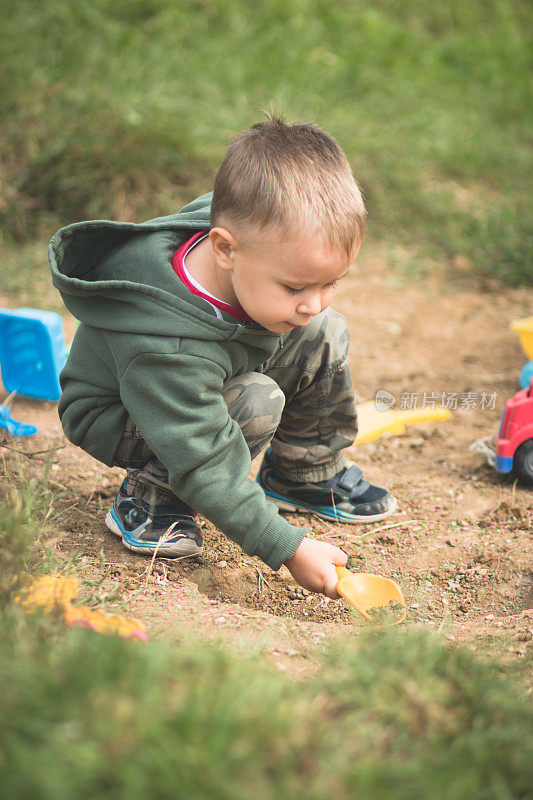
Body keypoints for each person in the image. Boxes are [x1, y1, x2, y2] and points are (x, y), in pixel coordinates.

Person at [48, 113, 397, 599]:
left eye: (331, 282)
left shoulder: (249, 234)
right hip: (123, 411)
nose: (313, 300)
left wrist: (298, 297)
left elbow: (308, 308)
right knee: (255, 401)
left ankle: (303, 472)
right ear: (225, 249)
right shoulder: (167, 349)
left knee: (323, 330)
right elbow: (207, 457)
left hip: (214, 363)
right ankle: (154, 497)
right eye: (296, 285)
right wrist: (287, 546)